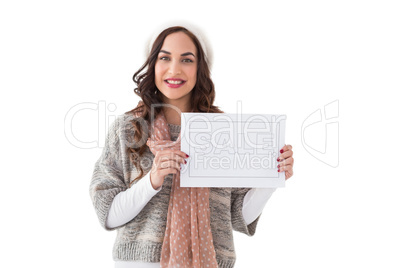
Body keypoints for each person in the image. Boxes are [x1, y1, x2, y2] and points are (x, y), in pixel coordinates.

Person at [89, 25, 294, 268]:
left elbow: (236, 216)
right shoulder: (128, 128)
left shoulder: (223, 131)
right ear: (153, 65)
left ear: (200, 69)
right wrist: (153, 179)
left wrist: (271, 177)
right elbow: (108, 214)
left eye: (187, 59)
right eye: (165, 58)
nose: (174, 69)